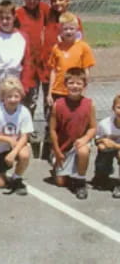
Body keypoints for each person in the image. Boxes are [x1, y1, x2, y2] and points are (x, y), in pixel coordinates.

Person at [49, 68, 96, 199]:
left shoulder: (89, 104)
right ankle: (63, 168)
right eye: (71, 83)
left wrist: (85, 139)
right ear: (65, 84)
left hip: (79, 144)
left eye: (78, 83)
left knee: (83, 151)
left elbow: (93, 128)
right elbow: (52, 130)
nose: (74, 86)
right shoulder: (58, 105)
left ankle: (80, 181)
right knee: (60, 183)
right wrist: (57, 151)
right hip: (63, 146)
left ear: (84, 85)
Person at [0, 76, 33, 195]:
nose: (13, 99)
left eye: (16, 96)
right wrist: (8, 139)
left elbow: (25, 136)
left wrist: (14, 152)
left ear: (21, 96)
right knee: (0, 184)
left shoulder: (24, 111)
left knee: (25, 154)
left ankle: (16, 178)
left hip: (14, 148)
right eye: (9, 96)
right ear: (3, 97)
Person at [16, 0, 51, 130]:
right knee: (30, 98)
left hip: (43, 61)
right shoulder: (18, 13)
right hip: (27, 62)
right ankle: (27, 129)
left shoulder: (43, 10)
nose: (32, 1)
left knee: (49, 98)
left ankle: (50, 128)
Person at [0, 0, 33, 104]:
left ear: (14, 17)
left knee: (14, 106)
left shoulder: (22, 36)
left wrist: (25, 85)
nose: (5, 21)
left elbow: (27, 63)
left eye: (8, 18)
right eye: (1, 18)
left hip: (15, 76)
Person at [47, 12, 95, 106]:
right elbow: (53, 71)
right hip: (58, 91)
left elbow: (86, 71)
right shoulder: (56, 47)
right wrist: (49, 93)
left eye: (71, 29)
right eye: (65, 29)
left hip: (75, 90)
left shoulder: (83, 47)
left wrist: (83, 90)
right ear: (60, 30)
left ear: (77, 29)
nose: (68, 32)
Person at [44, 0, 84, 66]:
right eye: (54, 1)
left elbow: (79, 41)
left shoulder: (73, 20)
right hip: (49, 59)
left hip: (66, 58)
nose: (57, 3)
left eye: (61, 0)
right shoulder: (48, 16)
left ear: (67, 1)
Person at [92, 94, 120, 198]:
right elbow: (96, 139)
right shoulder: (105, 123)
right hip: (110, 148)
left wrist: (115, 145)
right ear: (113, 108)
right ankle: (102, 175)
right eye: (119, 107)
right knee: (102, 148)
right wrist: (103, 139)